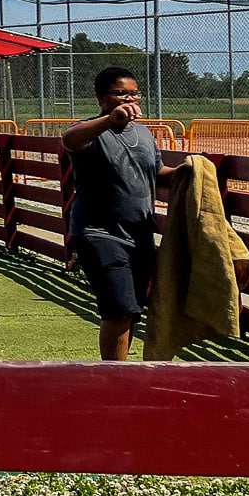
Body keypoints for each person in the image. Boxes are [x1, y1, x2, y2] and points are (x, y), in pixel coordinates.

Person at [64, 65, 176, 361]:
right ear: (102, 97)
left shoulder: (144, 134)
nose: (129, 99)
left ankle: (120, 371)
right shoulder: (91, 131)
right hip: (98, 233)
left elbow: (157, 173)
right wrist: (108, 121)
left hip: (139, 233)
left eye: (133, 93)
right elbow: (70, 140)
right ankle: (115, 377)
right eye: (120, 94)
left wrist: (187, 174)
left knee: (133, 311)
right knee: (119, 308)